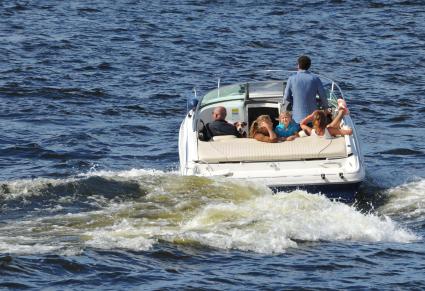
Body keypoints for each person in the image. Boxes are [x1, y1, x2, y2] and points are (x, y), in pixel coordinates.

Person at [283, 55, 329, 123]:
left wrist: (294, 101)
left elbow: (286, 97)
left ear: (298, 65)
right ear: (309, 66)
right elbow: (323, 96)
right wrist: (325, 108)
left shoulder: (291, 79)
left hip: (297, 119)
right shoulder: (315, 79)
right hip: (312, 118)